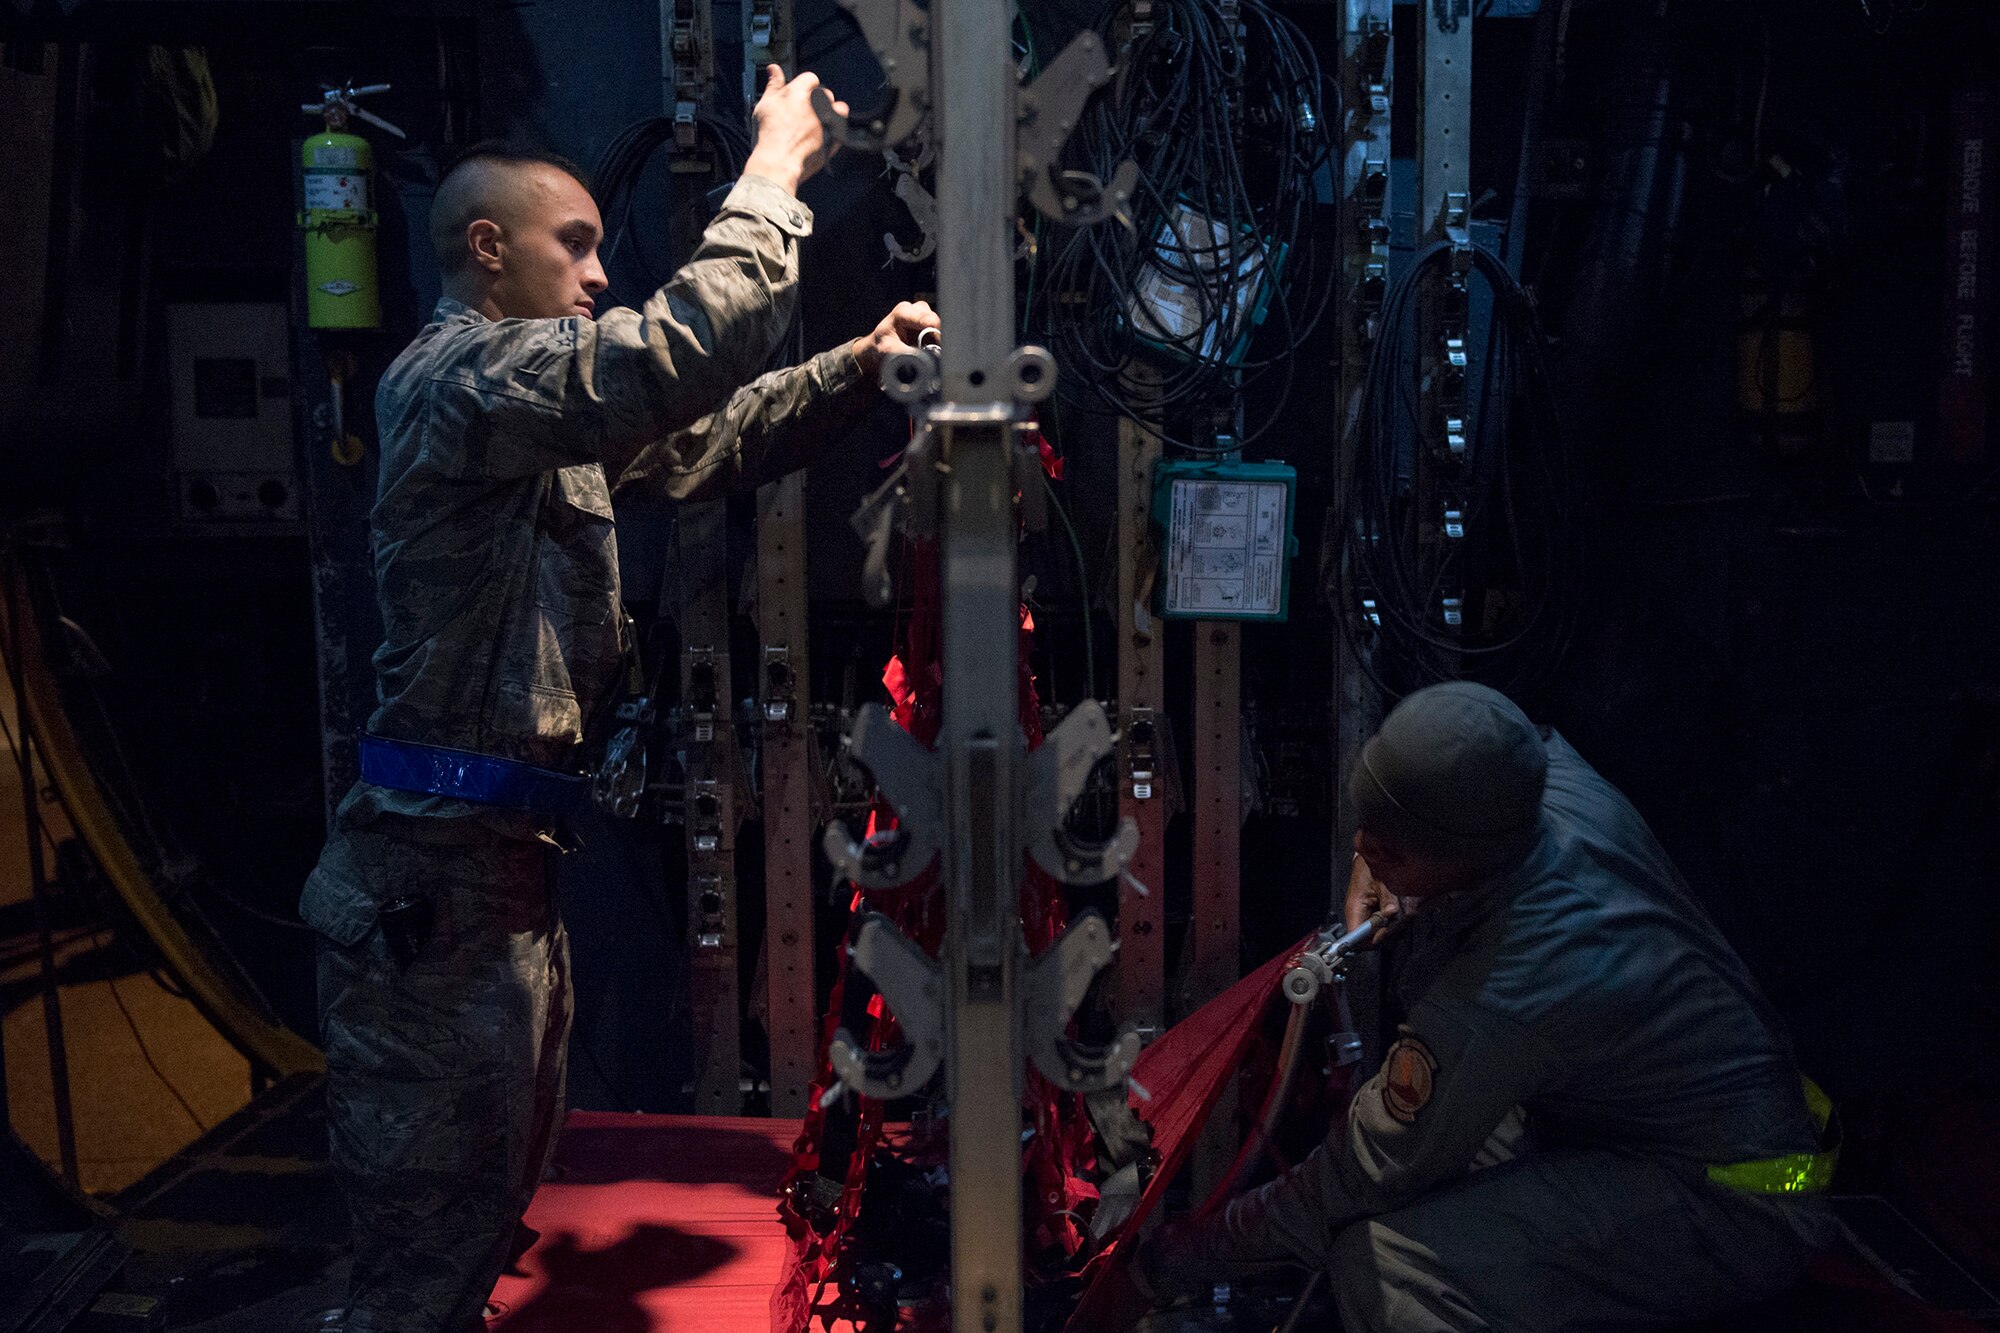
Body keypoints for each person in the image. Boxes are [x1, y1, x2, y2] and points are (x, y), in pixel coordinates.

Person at [296, 65, 940, 1333]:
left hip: (488, 879)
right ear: (489, 249)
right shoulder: (456, 381)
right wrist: (772, 173)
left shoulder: (527, 418)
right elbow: (671, 358)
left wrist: (860, 366)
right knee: (420, 1264)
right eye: (575, 245)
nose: (598, 274)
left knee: (476, 1222)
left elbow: (708, 436)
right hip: (433, 888)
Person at [1135, 682, 1838, 1332]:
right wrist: (1384, 866)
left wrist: (1177, 1256)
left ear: (1460, 859)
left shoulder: (1511, 982)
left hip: (1738, 1195)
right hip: (1646, 1123)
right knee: (1426, 1176)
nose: (1361, 848)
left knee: (1388, 1267)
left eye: (1389, 848)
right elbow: (1481, 735)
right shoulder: (1538, 776)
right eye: (1364, 827)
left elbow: (1363, 1171)